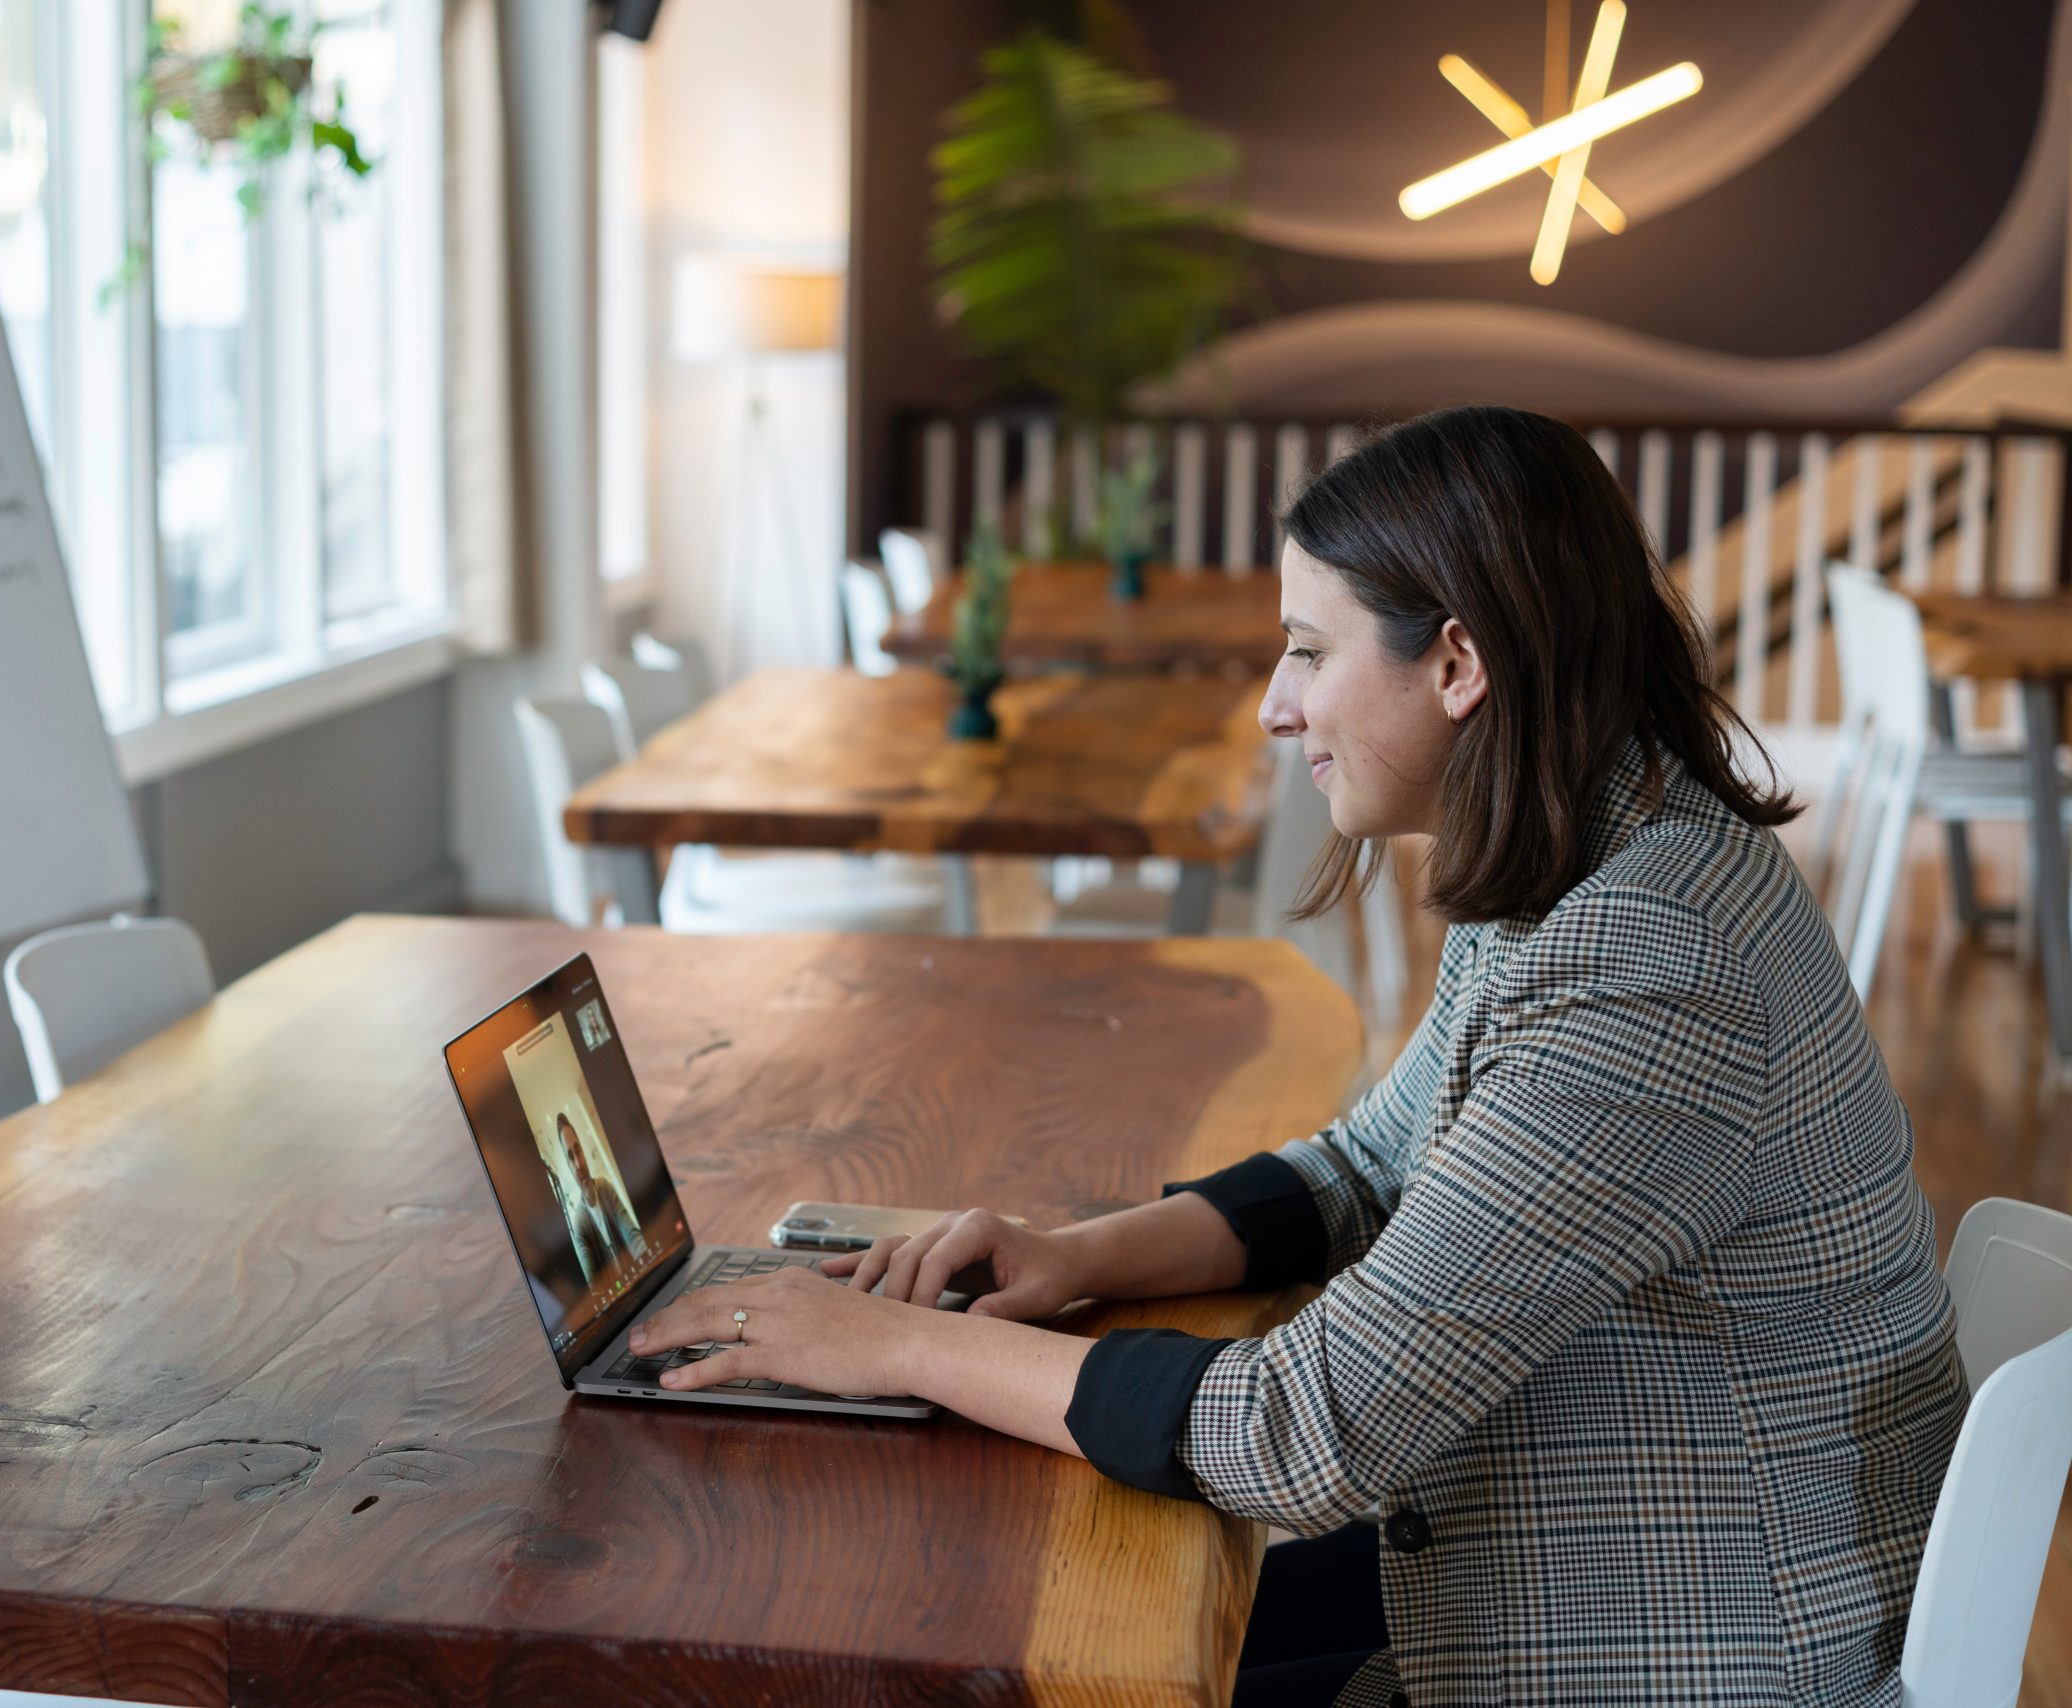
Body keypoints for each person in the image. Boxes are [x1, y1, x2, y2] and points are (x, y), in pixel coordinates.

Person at [626, 406, 1968, 1706]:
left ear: (1457, 664)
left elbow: (1305, 1433)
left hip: (1695, 1654)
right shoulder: (1601, 856)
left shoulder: (1655, 958)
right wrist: (1077, 1254)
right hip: (1581, 1577)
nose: (1275, 707)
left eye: (1308, 652)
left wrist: (893, 1352)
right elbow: (1369, 1168)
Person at [551, 1110, 644, 1284]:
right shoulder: (579, 1224)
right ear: (568, 1166)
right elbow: (592, 1287)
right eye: (571, 1157)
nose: (578, 1164)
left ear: (584, 1152)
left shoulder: (605, 1188)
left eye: (578, 1151)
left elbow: (633, 1236)